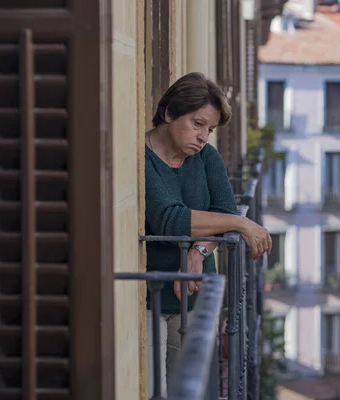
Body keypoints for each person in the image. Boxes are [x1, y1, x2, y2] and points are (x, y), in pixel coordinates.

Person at [144, 72, 271, 394]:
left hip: (197, 296)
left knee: (191, 390)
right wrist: (242, 224)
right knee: (154, 390)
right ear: (170, 113)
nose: (203, 137)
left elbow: (225, 211)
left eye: (210, 129)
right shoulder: (141, 158)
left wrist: (197, 252)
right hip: (150, 299)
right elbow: (167, 220)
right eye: (197, 124)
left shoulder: (205, 157)